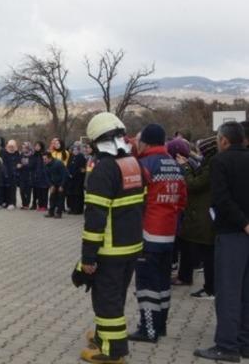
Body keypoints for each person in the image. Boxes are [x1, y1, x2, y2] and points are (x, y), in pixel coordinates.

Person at [78, 112, 145, 364]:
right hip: (131, 245)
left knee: (107, 300)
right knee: (115, 295)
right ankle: (102, 335)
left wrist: (88, 256)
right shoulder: (132, 164)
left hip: (110, 247)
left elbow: (95, 218)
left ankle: (111, 351)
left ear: (95, 141)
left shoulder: (103, 170)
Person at [194, 121, 249, 362]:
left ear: (224, 141)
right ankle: (245, 342)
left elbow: (222, 200)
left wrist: (243, 223)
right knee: (246, 292)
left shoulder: (220, 161)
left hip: (231, 233)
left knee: (227, 291)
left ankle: (226, 345)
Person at [129, 124, 187, 343]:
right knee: (162, 284)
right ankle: (160, 326)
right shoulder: (175, 165)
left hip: (148, 234)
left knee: (147, 285)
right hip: (169, 234)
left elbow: (137, 201)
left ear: (146, 142)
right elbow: (182, 200)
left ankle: (148, 329)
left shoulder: (144, 166)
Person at [175, 136, 217, 299]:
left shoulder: (211, 166)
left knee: (208, 253)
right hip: (202, 213)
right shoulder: (209, 163)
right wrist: (190, 157)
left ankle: (210, 288)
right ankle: (209, 285)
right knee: (205, 251)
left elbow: (194, 184)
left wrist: (185, 167)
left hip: (204, 214)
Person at [65, 142, 88, 215]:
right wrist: (69, 173)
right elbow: (68, 166)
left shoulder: (81, 157)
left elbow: (82, 169)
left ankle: (78, 209)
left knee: (78, 194)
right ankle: (71, 208)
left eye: (77, 148)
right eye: (74, 148)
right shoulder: (71, 156)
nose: (75, 150)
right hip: (71, 179)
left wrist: (74, 174)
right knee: (71, 194)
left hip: (78, 179)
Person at [43, 152, 68, 219]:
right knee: (52, 197)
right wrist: (51, 185)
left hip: (61, 183)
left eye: (45, 159)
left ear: (50, 158)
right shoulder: (46, 165)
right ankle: (51, 212)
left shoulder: (58, 163)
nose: (44, 160)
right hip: (53, 183)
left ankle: (59, 213)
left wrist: (62, 185)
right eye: (43, 159)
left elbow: (64, 175)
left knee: (60, 198)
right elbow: (47, 177)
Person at [0, 140, 20, 210]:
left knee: (12, 189)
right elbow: (2, 162)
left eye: (12, 146)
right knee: (6, 188)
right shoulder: (4, 153)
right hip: (5, 172)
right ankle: (6, 202)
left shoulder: (17, 153)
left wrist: (19, 165)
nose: (11, 148)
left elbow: (19, 161)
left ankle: (12, 203)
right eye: (10, 146)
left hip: (13, 173)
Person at [32, 141, 49, 211]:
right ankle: (40, 205)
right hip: (36, 176)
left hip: (44, 175)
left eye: (38, 146)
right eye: (35, 146)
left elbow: (45, 164)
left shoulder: (44, 154)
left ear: (41, 147)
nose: (36, 147)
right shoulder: (35, 155)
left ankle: (44, 206)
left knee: (44, 192)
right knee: (38, 192)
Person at [17, 142, 35, 210]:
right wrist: (18, 165)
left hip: (29, 175)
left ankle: (27, 204)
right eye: (22, 147)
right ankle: (23, 203)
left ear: (28, 148)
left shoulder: (32, 155)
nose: (23, 149)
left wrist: (22, 165)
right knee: (22, 190)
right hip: (22, 175)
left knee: (28, 191)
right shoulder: (21, 154)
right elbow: (18, 162)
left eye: (24, 147)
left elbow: (32, 165)